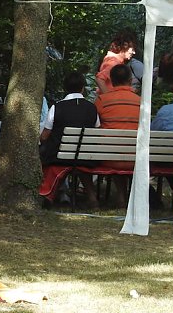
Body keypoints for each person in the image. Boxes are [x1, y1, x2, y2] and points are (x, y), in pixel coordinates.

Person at [40, 71, 101, 208]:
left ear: (65, 88)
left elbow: (44, 136)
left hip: (59, 157)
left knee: (48, 153)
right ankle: (92, 197)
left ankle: (49, 195)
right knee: (79, 161)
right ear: (82, 88)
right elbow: (96, 131)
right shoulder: (92, 108)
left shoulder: (57, 107)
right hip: (86, 157)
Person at [94, 64, 140, 206]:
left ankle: (121, 195)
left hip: (109, 157)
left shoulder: (102, 100)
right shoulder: (141, 102)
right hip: (135, 158)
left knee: (114, 147)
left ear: (112, 81)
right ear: (130, 80)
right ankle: (125, 195)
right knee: (125, 147)